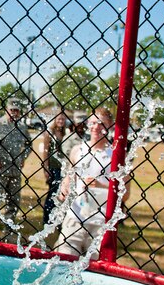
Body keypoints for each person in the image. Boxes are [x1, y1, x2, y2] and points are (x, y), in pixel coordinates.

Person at [55, 107, 128, 258]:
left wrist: (101, 185)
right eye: (93, 123)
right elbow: (68, 178)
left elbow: (125, 194)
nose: (96, 127)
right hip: (75, 218)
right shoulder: (78, 150)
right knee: (62, 260)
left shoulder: (116, 156)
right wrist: (64, 188)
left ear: (110, 126)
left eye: (101, 123)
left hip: (101, 222)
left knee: (96, 266)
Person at [0, 98, 32, 241]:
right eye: (12, 110)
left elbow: (29, 144)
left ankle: (9, 230)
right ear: (6, 110)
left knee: (13, 202)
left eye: (17, 110)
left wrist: (23, 157)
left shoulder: (22, 127)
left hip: (15, 170)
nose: (14, 113)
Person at [40, 110, 69, 225]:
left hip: (63, 168)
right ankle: (46, 219)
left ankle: (58, 218)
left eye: (63, 119)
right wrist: (46, 169)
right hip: (53, 167)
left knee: (61, 194)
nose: (61, 121)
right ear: (55, 120)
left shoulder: (65, 133)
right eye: (59, 119)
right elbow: (45, 152)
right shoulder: (49, 133)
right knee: (52, 193)